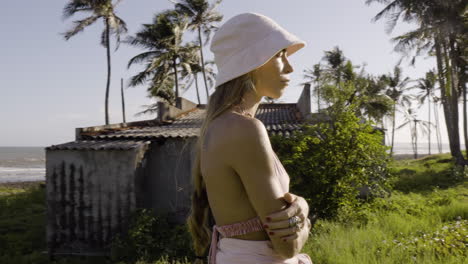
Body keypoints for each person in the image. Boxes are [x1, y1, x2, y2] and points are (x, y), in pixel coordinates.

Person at [187, 12, 312, 264]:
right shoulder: (245, 129)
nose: (290, 66)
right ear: (252, 63)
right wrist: (305, 213)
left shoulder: (219, 127)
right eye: (279, 55)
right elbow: (287, 246)